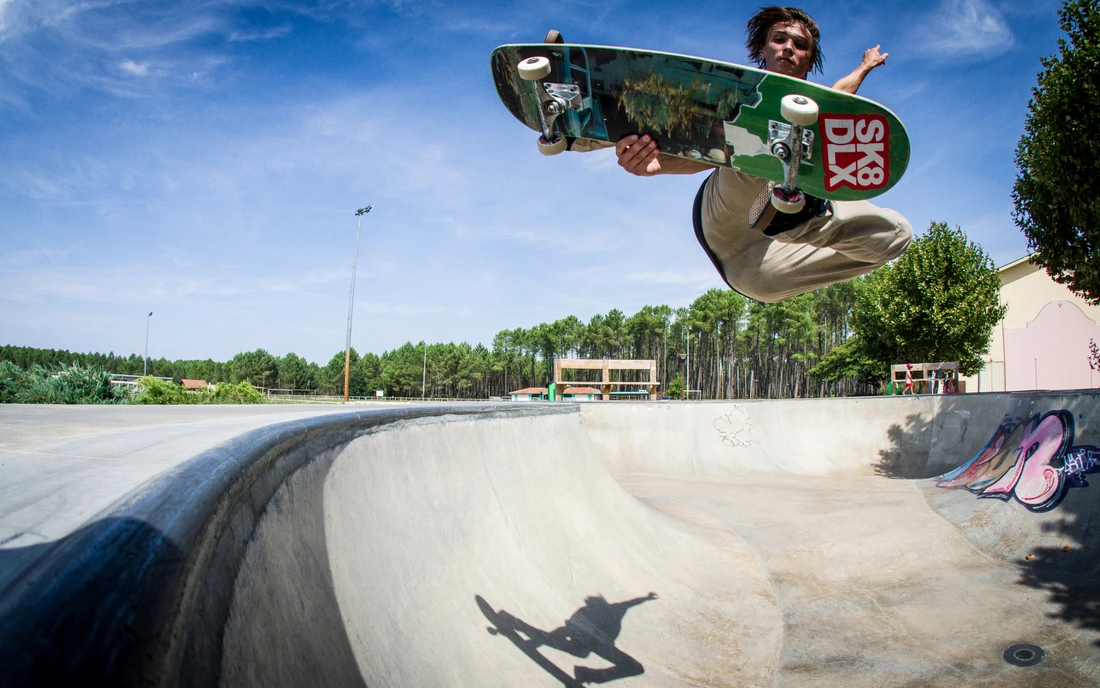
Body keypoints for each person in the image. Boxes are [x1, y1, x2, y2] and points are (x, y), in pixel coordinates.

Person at [614, 6, 912, 302]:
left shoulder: (817, 108)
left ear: (809, 59)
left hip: (762, 273)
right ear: (763, 49)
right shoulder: (741, 101)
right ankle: (796, 196)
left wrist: (865, 66)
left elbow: (840, 93)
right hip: (725, 221)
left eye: (799, 45)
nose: (788, 48)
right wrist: (657, 163)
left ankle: (802, 216)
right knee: (766, 137)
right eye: (779, 40)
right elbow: (707, 149)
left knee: (897, 236)